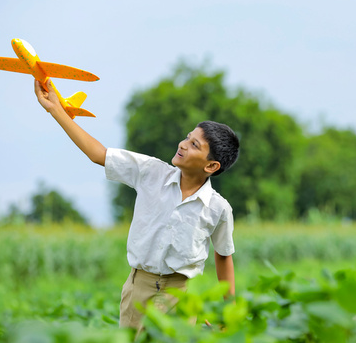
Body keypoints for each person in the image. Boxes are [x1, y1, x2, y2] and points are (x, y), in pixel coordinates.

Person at [33, 79, 239, 330]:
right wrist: (56, 109)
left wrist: (227, 314)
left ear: (211, 166)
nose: (183, 144)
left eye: (195, 144)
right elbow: (98, 154)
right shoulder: (150, 172)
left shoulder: (218, 209)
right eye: (188, 137)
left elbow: (223, 256)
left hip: (178, 293)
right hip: (136, 285)